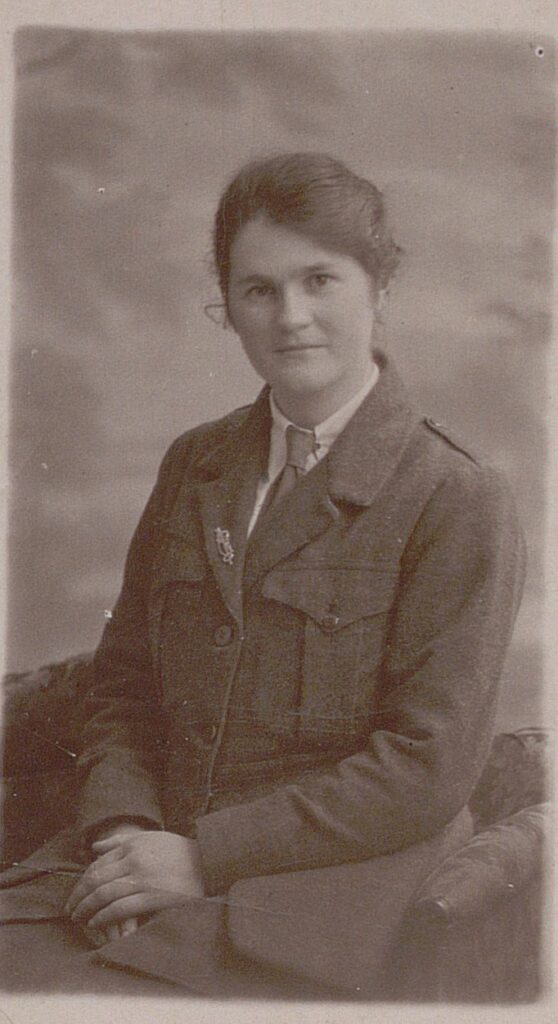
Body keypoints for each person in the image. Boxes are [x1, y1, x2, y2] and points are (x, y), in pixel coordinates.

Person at [0, 152, 526, 997]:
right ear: (229, 309)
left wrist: (206, 858)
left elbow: (424, 768)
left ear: (379, 290)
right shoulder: (195, 465)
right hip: (139, 858)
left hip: (312, 903)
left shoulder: (455, 496)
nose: (291, 318)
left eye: (321, 280)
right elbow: (124, 684)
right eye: (258, 290)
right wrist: (125, 830)